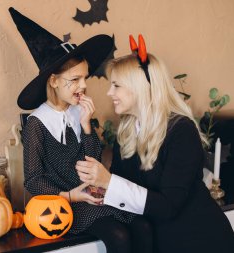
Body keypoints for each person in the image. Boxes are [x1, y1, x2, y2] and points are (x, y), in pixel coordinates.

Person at [9, 8, 153, 253]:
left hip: (94, 197)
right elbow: (33, 179)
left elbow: (93, 162)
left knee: (143, 227)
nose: (83, 86)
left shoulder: (79, 112)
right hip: (66, 205)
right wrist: (70, 195)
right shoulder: (37, 123)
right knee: (118, 235)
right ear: (53, 81)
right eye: (75, 79)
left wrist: (87, 126)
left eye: (85, 78)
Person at [76, 34, 234, 253]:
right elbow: (121, 189)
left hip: (201, 241)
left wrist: (109, 182)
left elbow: (168, 206)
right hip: (158, 242)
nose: (109, 92)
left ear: (140, 87)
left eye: (116, 85)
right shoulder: (127, 132)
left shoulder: (181, 130)